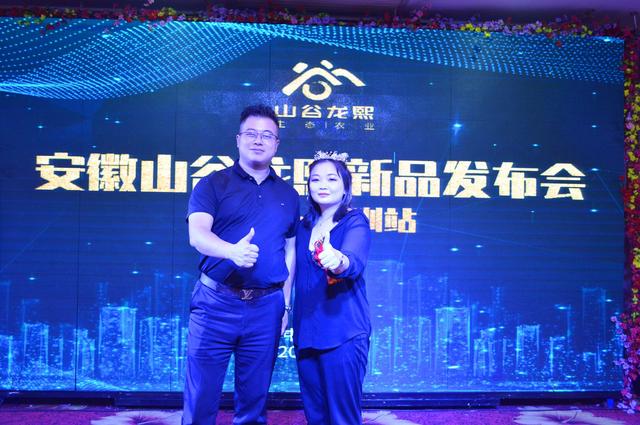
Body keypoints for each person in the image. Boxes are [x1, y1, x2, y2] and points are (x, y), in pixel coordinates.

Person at [183, 104, 299, 425]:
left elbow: (290, 252)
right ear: (238, 139)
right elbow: (197, 235)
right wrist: (231, 251)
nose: (258, 140)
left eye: (267, 135)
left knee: (254, 402)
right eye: (251, 133)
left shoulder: (288, 195)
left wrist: (285, 305)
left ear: (277, 144)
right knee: (201, 398)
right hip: (215, 303)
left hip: (266, 308)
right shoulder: (212, 184)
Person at [292, 151, 372, 425]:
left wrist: (336, 260)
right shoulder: (303, 226)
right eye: (315, 179)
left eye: (331, 179)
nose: (322, 185)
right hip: (306, 334)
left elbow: (352, 261)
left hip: (343, 333)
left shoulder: (354, 220)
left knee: (342, 419)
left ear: (345, 186)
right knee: (316, 417)